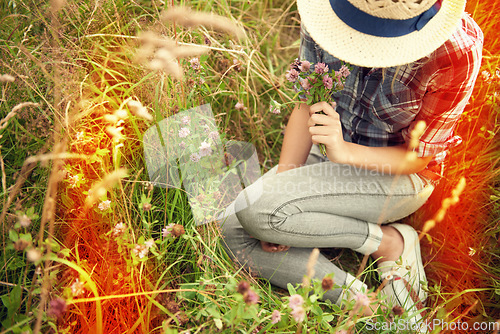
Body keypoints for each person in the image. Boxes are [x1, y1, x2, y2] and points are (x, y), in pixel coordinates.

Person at [219, 0, 483, 324]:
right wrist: (283, 184)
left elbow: (420, 156)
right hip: (327, 154)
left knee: (253, 210)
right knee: (234, 228)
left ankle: (386, 243)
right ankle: (359, 298)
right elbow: (307, 106)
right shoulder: (324, 13)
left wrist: (345, 152)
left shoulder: (455, 51)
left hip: (396, 177)